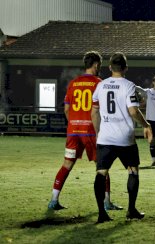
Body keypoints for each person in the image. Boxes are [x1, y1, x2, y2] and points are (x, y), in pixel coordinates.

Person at [48, 51, 122, 211]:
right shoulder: (99, 83)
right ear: (96, 65)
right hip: (91, 131)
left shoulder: (73, 83)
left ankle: (54, 200)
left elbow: (67, 109)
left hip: (73, 131)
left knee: (67, 164)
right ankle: (107, 202)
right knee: (102, 166)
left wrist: (74, 125)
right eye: (99, 65)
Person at [91, 52, 152, 223]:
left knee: (101, 173)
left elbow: (94, 111)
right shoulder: (128, 85)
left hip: (105, 138)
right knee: (133, 171)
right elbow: (133, 111)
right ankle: (131, 210)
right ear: (126, 67)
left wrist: (98, 133)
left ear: (110, 67)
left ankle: (101, 213)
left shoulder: (101, 86)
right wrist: (146, 125)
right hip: (125, 138)